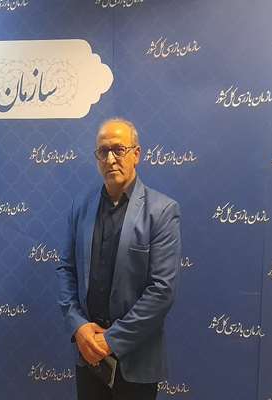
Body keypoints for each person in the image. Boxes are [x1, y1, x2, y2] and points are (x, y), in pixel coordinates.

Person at [56, 118, 181, 400]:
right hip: (89, 356)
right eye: (103, 151)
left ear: (136, 154)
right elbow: (66, 270)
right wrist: (79, 327)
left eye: (119, 150)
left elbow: (161, 291)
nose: (111, 159)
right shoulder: (80, 207)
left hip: (135, 362)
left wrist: (110, 341)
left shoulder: (162, 211)